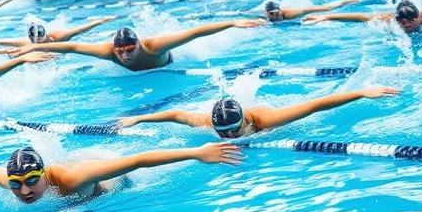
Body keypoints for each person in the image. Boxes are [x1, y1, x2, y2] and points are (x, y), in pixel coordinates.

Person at [0, 142, 242, 202]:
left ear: (44, 175)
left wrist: (196, 153)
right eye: (17, 185)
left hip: (114, 184)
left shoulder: (71, 180)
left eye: (31, 182)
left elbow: (139, 160)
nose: (24, 192)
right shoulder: (13, 183)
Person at [116, 86, 402, 138]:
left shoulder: (266, 121)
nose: (228, 136)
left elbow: (316, 104)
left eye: (233, 131)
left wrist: (362, 92)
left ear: (245, 122)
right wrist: (140, 117)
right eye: (223, 132)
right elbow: (176, 114)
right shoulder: (206, 123)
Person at [0, 19, 265, 71]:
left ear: (137, 45)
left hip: (168, 66)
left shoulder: (153, 45)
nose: (124, 56)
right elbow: (72, 48)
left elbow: (194, 33)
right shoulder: (107, 52)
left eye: (128, 50)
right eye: (120, 51)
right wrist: (31, 49)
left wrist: (231, 23)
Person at [0, 15, 117, 53]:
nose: (38, 43)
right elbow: (5, 42)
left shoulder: (58, 37)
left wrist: (100, 21)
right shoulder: (28, 43)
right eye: (35, 42)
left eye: (40, 40)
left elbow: (81, 29)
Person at [260, 0, 360, 23]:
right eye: (273, 14)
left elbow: (326, 7)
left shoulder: (293, 14)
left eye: (278, 12)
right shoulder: (264, 18)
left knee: (326, 8)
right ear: (267, 13)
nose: (277, 15)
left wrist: (345, 2)